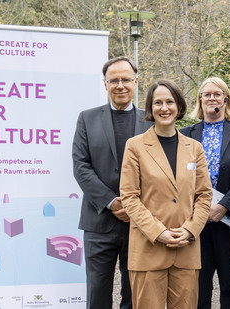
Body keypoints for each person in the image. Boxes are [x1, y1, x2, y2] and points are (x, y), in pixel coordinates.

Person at [120, 79, 212, 309]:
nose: (164, 108)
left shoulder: (194, 148)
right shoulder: (135, 146)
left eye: (169, 101)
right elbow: (130, 197)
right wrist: (158, 231)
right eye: (157, 102)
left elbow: (204, 195)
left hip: (186, 248)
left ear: (178, 105)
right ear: (150, 108)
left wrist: (190, 230)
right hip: (148, 248)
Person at [72, 56, 153, 309]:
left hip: (140, 223)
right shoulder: (87, 118)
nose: (120, 85)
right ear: (105, 84)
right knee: (97, 293)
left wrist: (133, 206)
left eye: (126, 80)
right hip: (99, 222)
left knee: (135, 294)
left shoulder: (150, 121)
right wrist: (112, 202)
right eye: (113, 80)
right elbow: (80, 165)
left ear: (136, 82)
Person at [180, 77, 230, 309]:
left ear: (226, 99)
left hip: (228, 220)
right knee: (198, 288)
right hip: (195, 221)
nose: (212, 98)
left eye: (217, 94)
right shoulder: (185, 134)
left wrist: (224, 205)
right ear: (200, 99)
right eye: (207, 94)